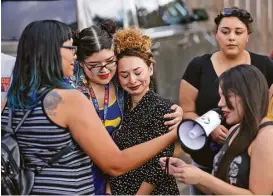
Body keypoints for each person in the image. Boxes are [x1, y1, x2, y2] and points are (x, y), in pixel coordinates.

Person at [1, 20, 179, 195]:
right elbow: (115, 164)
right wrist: (174, 134)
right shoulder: (69, 99)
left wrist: (175, 110)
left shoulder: (12, 98)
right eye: (70, 48)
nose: (75, 56)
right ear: (51, 52)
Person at [69, 19, 183, 194]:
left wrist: (178, 113)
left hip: (121, 179)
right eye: (94, 65)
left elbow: (159, 157)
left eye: (109, 61)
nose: (104, 70)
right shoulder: (71, 87)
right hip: (81, 175)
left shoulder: (120, 84)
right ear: (80, 63)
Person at [179, 6, 273, 182]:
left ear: (247, 36)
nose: (231, 37)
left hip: (250, 165)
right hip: (206, 162)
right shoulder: (198, 67)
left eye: (238, 32)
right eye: (225, 31)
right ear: (216, 34)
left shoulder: (265, 66)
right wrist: (209, 129)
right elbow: (187, 111)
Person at [162, 65, 273, 195]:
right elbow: (220, 188)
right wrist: (187, 171)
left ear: (247, 94)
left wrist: (202, 178)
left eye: (226, 96)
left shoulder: (267, 136)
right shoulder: (235, 130)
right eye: (220, 96)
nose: (220, 103)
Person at [107, 28, 179, 195]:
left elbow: (159, 166)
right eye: (124, 75)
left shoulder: (164, 109)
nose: (132, 80)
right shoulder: (118, 107)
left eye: (137, 72)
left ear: (150, 69)